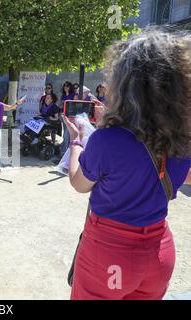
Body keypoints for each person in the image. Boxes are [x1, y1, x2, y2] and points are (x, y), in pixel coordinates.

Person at [64, 30, 191, 300]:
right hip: (160, 254)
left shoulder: (107, 140)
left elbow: (79, 183)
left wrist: (76, 142)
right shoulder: (182, 142)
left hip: (110, 254)